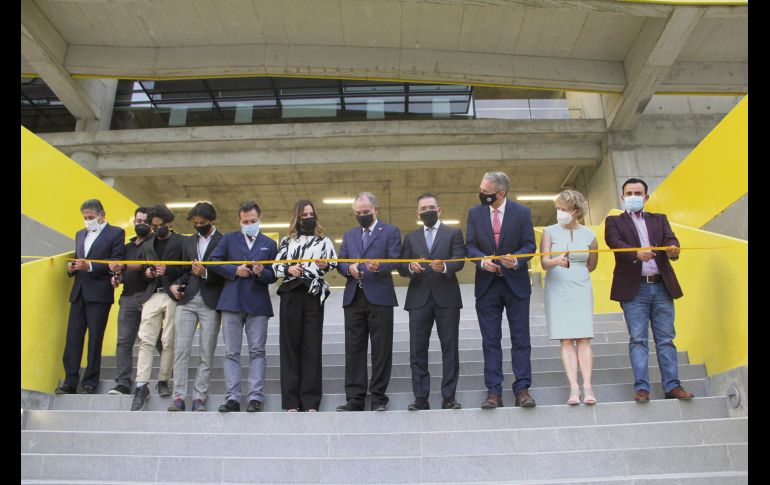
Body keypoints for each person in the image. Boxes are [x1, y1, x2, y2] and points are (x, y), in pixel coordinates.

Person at [605, 178, 693, 403]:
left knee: (666, 339)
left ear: (646, 197)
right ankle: (642, 388)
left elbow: (671, 240)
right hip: (634, 290)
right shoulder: (614, 221)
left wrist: (673, 250)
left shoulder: (659, 219)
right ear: (622, 197)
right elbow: (614, 243)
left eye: (638, 193)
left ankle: (672, 386)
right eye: (629, 193)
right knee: (638, 339)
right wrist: (636, 253)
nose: (633, 197)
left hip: (662, 286)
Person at [466, 171, 537, 409]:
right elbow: (470, 246)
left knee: (521, 338)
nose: (481, 194)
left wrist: (516, 260)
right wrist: (481, 260)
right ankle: (494, 391)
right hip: (487, 286)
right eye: (481, 190)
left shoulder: (522, 212)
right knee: (490, 340)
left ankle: (522, 389)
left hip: (516, 284)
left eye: (486, 192)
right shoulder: (474, 213)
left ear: (501, 193)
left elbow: (529, 245)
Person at [208, 201, 278, 413]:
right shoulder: (228, 239)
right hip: (231, 301)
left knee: (258, 351)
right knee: (231, 352)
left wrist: (260, 272)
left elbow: (274, 275)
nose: (249, 224)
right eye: (245, 221)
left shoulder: (269, 244)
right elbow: (213, 262)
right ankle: (233, 397)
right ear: (239, 221)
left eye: (253, 221)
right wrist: (234, 270)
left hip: (258, 303)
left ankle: (255, 397)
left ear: (260, 219)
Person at [398, 193, 465, 411]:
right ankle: (420, 397)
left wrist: (444, 267)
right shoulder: (410, 238)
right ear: (418, 214)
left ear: (439, 210)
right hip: (418, 299)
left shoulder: (453, 233)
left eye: (431, 207)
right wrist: (410, 267)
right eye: (423, 208)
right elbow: (401, 265)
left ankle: (449, 396)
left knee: (450, 348)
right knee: (417, 350)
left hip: (447, 298)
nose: (427, 211)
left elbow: (459, 259)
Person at [336, 192, 401, 412]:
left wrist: (379, 266)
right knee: (353, 350)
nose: (362, 215)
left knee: (381, 349)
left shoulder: (390, 231)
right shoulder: (349, 235)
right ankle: (355, 399)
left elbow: (396, 260)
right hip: (354, 297)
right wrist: (349, 268)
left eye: (366, 212)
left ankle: (378, 398)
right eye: (358, 212)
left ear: (376, 210)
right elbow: (341, 262)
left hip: (380, 298)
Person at [273, 200, 338, 412]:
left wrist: (325, 264)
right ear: (297, 218)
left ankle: (310, 401)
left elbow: (334, 262)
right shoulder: (286, 241)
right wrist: (289, 269)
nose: (308, 218)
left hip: (313, 294)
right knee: (290, 347)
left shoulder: (324, 241)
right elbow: (275, 267)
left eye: (311, 214)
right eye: (304, 215)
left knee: (312, 346)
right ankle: (291, 401)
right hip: (291, 293)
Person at [56, 199, 125, 395]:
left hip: (100, 293)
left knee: (95, 339)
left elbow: (117, 260)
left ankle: (90, 382)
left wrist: (91, 266)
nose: (88, 221)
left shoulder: (116, 233)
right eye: (85, 217)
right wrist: (72, 268)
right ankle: (70, 381)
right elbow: (79, 258)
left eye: (91, 217)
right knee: (73, 338)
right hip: (78, 292)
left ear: (102, 215)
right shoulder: (80, 234)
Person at [540, 190, 598, 405]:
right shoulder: (549, 232)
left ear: (576, 211)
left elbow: (592, 264)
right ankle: (574, 388)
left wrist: (577, 272)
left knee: (584, 337)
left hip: (581, 285)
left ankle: (588, 387)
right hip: (557, 286)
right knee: (565, 339)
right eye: (558, 208)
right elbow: (544, 262)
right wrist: (557, 261)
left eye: (563, 209)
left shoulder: (590, 235)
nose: (559, 213)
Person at [166, 202, 225, 412]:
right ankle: (178, 397)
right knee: (181, 350)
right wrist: (175, 285)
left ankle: (200, 397)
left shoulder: (223, 240)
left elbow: (226, 272)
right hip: (187, 301)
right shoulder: (189, 241)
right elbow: (185, 270)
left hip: (211, 302)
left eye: (202, 222)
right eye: (195, 223)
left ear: (211, 220)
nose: (198, 226)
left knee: (206, 353)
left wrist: (206, 273)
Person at [130, 204, 186, 411]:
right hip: (152, 293)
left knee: (168, 340)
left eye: (160, 225)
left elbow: (188, 269)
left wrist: (169, 272)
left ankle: (164, 379)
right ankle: (141, 385)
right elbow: (143, 270)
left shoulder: (182, 242)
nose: (156, 229)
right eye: (153, 226)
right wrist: (148, 273)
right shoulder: (148, 244)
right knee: (145, 340)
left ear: (169, 223)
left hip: (172, 294)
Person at [107, 207, 162, 395]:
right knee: (123, 342)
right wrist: (117, 278)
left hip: (150, 296)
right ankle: (123, 383)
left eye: (145, 222)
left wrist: (125, 266)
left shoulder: (156, 244)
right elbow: (121, 271)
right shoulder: (127, 247)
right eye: (138, 221)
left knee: (158, 339)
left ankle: (167, 375)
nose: (141, 224)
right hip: (128, 296)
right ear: (134, 221)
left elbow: (148, 266)